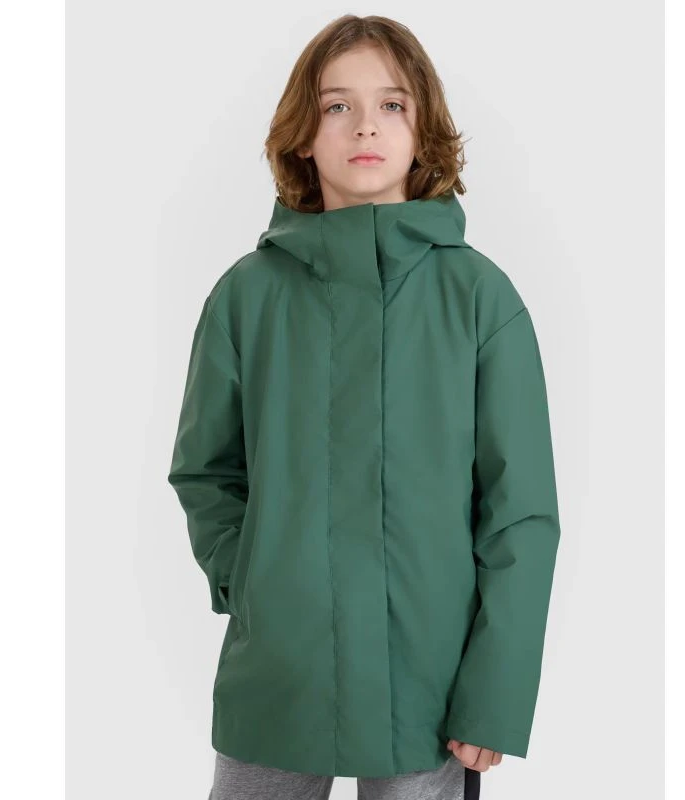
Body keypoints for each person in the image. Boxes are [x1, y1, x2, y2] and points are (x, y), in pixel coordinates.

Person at [167, 14, 561, 800]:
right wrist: (256, 585)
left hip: (430, 683)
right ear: (302, 136)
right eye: (337, 105)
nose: (365, 126)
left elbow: (519, 513)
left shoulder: (478, 298)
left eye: (392, 104)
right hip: (278, 674)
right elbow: (207, 472)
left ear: (424, 130)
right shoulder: (246, 297)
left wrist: (496, 690)